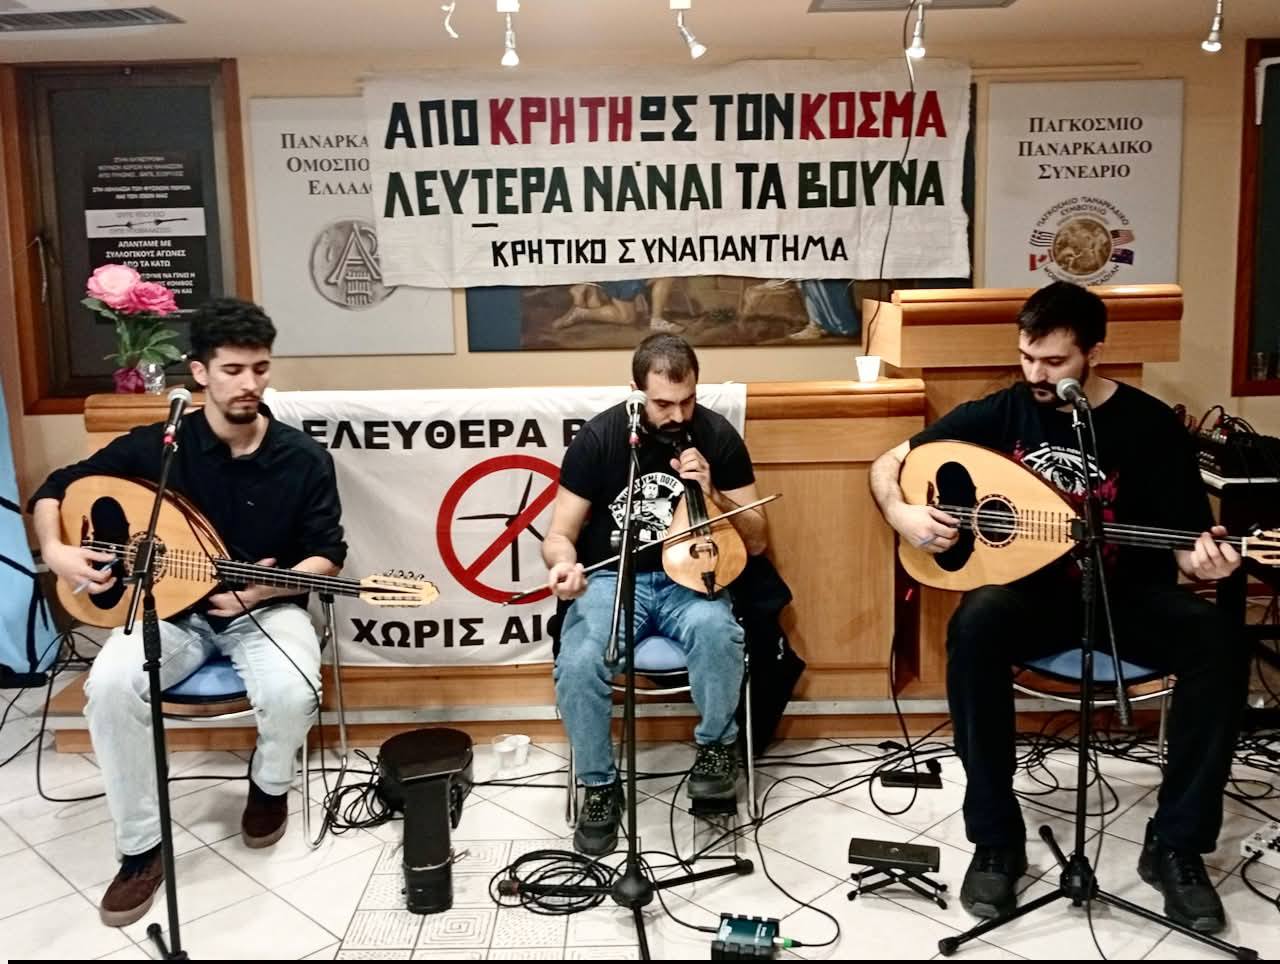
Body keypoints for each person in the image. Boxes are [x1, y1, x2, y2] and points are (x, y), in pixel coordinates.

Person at [868, 281, 1249, 933]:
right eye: (1027, 357)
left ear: (1093, 353)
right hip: (1032, 598)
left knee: (1219, 641)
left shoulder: (1150, 425)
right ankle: (997, 839)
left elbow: (1188, 549)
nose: (1036, 374)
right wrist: (902, 513)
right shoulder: (1004, 411)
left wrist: (1207, 560)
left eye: (1054, 361)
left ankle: (1177, 846)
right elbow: (890, 462)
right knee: (975, 625)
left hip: (1130, 598)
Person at [29, 297, 346, 927]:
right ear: (199, 372)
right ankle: (140, 849)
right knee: (110, 685)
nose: (250, 383)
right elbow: (56, 488)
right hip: (169, 615)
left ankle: (269, 785)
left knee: (293, 692)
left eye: (260, 368)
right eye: (233, 370)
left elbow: (327, 556)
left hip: (265, 610)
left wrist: (259, 592)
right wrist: (57, 552)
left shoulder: (302, 459)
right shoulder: (161, 447)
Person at [543, 333, 767, 855]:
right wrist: (564, 566)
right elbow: (558, 535)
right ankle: (599, 786)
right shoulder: (600, 438)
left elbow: (758, 541)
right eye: (664, 404)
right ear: (635, 392)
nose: (678, 415)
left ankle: (716, 750)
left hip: (693, 577)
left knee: (717, 632)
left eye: (687, 400)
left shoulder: (717, 435)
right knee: (578, 661)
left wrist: (712, 491)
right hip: (613, 580)